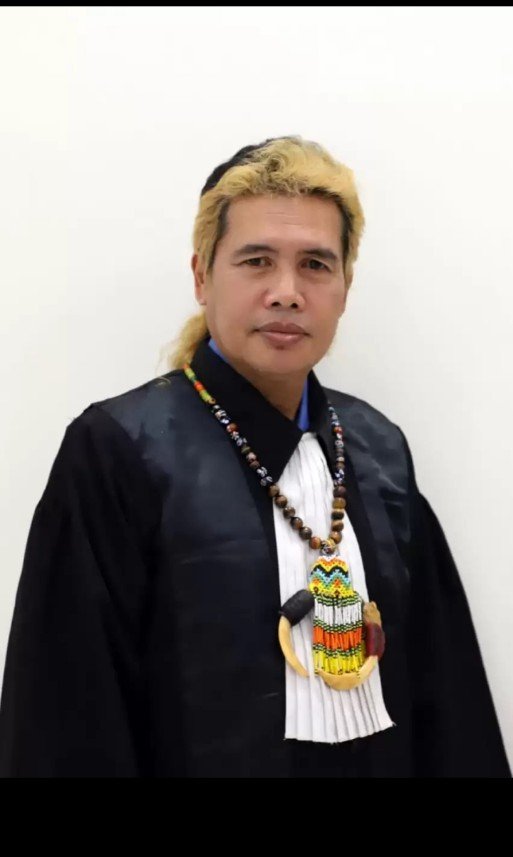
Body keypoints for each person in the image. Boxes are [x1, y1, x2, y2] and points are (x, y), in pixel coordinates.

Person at [0, 135, 510, 778]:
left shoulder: (378, 448)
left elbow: (447, 695)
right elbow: (67, 713)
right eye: (257, 261)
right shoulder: (120, 451)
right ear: (201, 277)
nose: (287, 292)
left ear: (345, 287)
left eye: (316, 264)